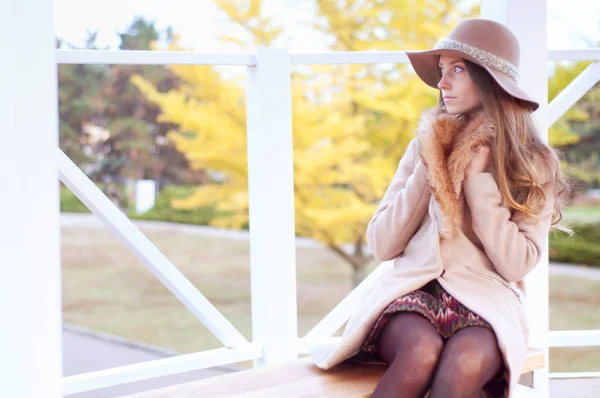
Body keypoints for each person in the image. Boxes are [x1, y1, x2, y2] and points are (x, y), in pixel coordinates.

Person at [310, 18, 568, 398]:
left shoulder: (533, 162)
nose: (442, 83)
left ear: (490, 80)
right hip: (412, 292)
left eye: (457, 70)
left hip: (486, 300)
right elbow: (382, 245)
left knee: (464, 363)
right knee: (419, 353)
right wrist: (431, 165)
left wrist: (480, 183)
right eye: (442, 71)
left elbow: (517, 264)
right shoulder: (422, 146)